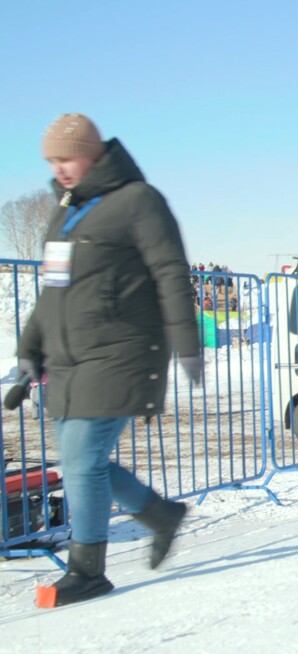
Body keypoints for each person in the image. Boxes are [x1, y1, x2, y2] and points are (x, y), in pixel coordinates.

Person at [17, 114, 203, 607]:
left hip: (123, 351)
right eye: (51, 161)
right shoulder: (67, 211)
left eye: (66, 158)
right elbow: (52, 291)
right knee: (85, 459)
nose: (58, 169)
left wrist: (187, 343)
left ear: (93, 152)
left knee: (80, 457)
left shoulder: (138, 201)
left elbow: (169, 271)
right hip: (73, 357)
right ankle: (160, 515)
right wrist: (27, 350)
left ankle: (87, 571)